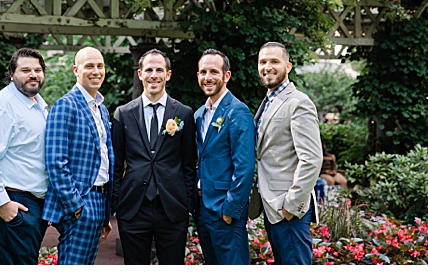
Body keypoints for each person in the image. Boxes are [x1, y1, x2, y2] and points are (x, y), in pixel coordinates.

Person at [110, 49, 197, 265]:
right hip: (134, 207)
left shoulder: (184, 113)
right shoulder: (123, 114)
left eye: (160, 70)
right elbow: (116, 164)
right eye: (149, 69)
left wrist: (186, 202)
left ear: (168, 74)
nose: (154, 75)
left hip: (172, 207)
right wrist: (118, 202)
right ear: (140, 74)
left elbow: (189, 164)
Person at [0, 47, 51, 264]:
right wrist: (2, 203)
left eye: (38, 70)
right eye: (26, 70)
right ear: (12, 74)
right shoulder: (1, 106)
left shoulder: (39, 105)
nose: (33, 75)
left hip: (31, 203)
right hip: (11, 199)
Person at [43, 46, 114, 265]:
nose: (96, 71)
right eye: (89, 66)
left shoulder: (101, 108)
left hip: (100, 200)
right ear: (76, 70)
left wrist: (105, 212)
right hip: (81, 200)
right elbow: (55, 160)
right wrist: (75, 206)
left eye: (100, 66)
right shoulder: (65, 105)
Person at [254, 42, 323, 265]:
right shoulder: (268, 101)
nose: (267, 67)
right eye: (263, 62)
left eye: (274, 61)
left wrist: (290, 206)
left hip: (288, 209)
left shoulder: (298, 102)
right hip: (272, 206)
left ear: (288, 66)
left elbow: (311, 159)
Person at [192, 49, 255, 265]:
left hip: (224, 210)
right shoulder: (199, 114)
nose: (207, 77)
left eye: (213, 72)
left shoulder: (238, 111)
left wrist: (231, 208)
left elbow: (245, 166)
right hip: (202, 208)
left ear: (226, 76)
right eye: (203, 72)